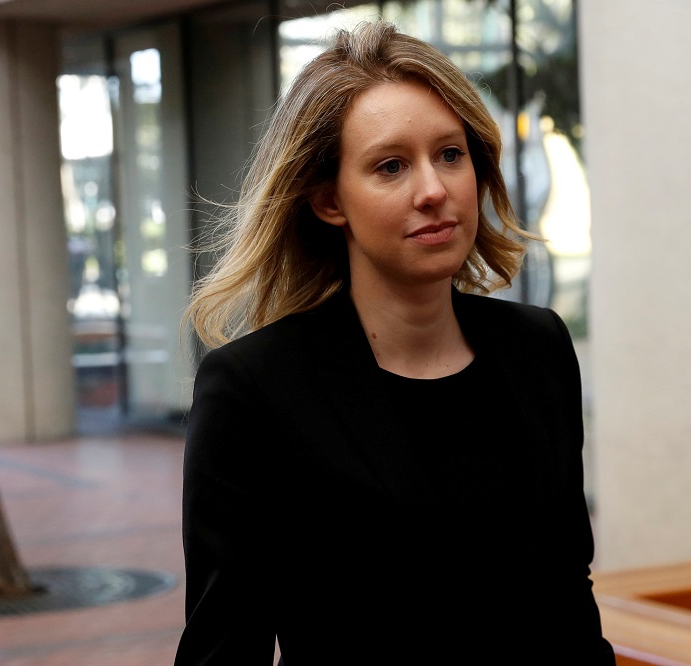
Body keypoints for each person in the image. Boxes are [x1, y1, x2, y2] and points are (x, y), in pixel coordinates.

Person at [176, 20, 615, 666]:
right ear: (329, 201)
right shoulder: (253, 392)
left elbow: (567, 598)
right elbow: (223, 651)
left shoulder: (537, 348)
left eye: (449, 154)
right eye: (390, 166)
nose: (434, 190)